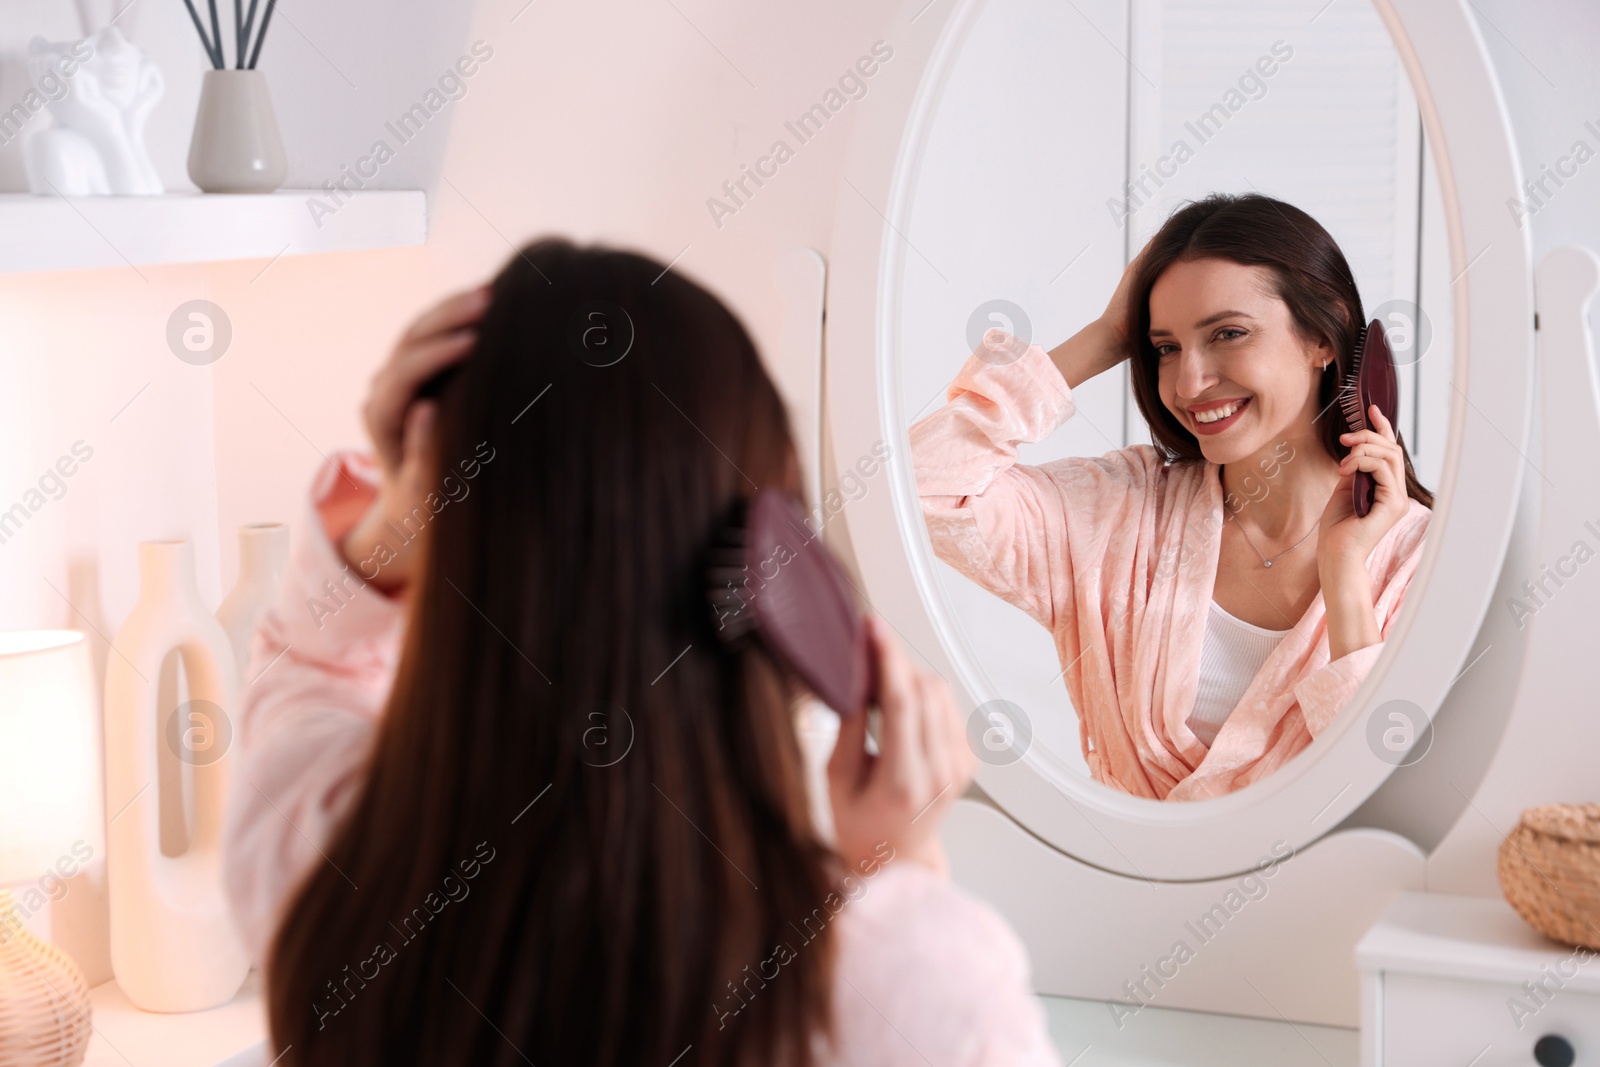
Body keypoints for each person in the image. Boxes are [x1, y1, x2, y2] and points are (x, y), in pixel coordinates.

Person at [222, 239, 1063, 1066]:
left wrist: (396, 518)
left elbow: (304, 669)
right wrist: (903, 878)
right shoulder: (898, 992)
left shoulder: (323, 873)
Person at [910, 193, 1432, 800]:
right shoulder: (1116, 513)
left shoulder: (1421, 561)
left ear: (1323, 336)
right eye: (1165, 347)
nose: (1188, 383)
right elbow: (920, 486)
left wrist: (1344, 575)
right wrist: (1106, 335)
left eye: (1229, 333)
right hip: (1126, 893)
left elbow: (1395, 793)